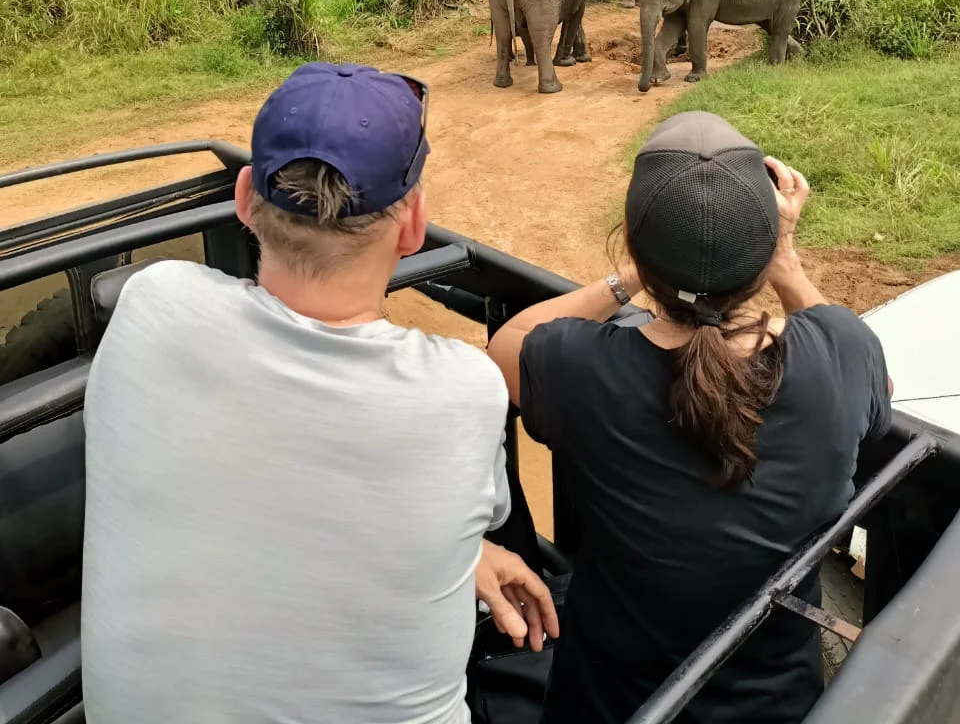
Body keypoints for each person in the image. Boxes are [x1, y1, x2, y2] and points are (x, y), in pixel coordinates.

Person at [82, 61, 557, 724]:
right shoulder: (462, 390)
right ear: (414, 226)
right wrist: (464, 550)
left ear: (244, 198)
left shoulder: (153, 302)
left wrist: (462, 552)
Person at [488, 111, 892, 724]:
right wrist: (784, 260)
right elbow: (874, 380)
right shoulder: (841, 352)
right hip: (777, 707)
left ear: (634, 246)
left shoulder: (578, 367)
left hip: (612, 702)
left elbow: (508, 344)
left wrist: (629, 278)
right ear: (762, 252)